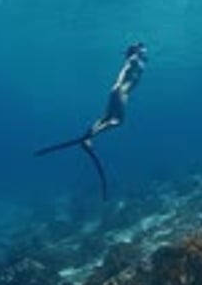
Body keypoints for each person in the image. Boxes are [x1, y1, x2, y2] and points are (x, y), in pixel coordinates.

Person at [34, 43, 147, 199]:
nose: (145, 51)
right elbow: (131, 64)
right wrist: (136, 54)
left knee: (105, 117)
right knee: (118, 121)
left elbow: (128, 68)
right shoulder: (134, 59)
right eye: (142, 49)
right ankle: (89, 137)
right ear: (136, 51)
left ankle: (88, 138)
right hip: (122, 92)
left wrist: (135, 57)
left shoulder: (133, 60)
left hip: (115, 90)